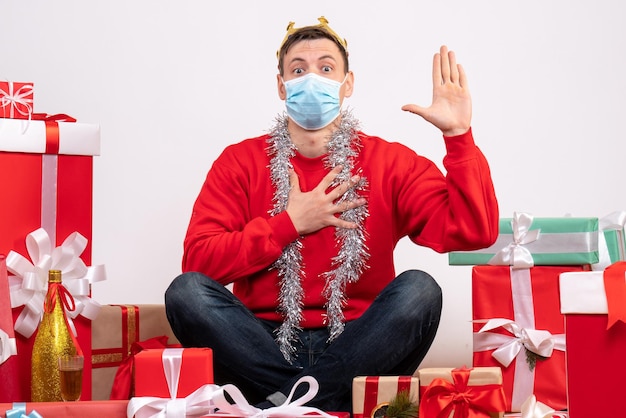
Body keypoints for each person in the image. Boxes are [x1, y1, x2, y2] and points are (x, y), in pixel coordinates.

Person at [165, 16, 498, 412]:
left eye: (326, 68)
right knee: (185, 293)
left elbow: (475, 232)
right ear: (281, 85)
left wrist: (458, 137)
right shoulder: (239, 162)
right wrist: (288, 225)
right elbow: (199, 263)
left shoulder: (389, 162)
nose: (311, 78)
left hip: (359, 342)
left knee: (420, 290)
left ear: (348, 83)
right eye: (298, 70)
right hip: (259, 344)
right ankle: (318, 403)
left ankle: (284, 405)